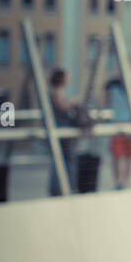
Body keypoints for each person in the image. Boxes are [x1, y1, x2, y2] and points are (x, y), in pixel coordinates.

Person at [47, 67, 87, 196]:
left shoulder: (55, 91)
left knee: (62, 161)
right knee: (66, 161)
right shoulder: (56, 91)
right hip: (62, 132)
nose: (68, 80)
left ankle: (62, 188)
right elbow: (61, 106)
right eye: (67, 77)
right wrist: (73, 102)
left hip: (62, 131)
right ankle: (64, 188)